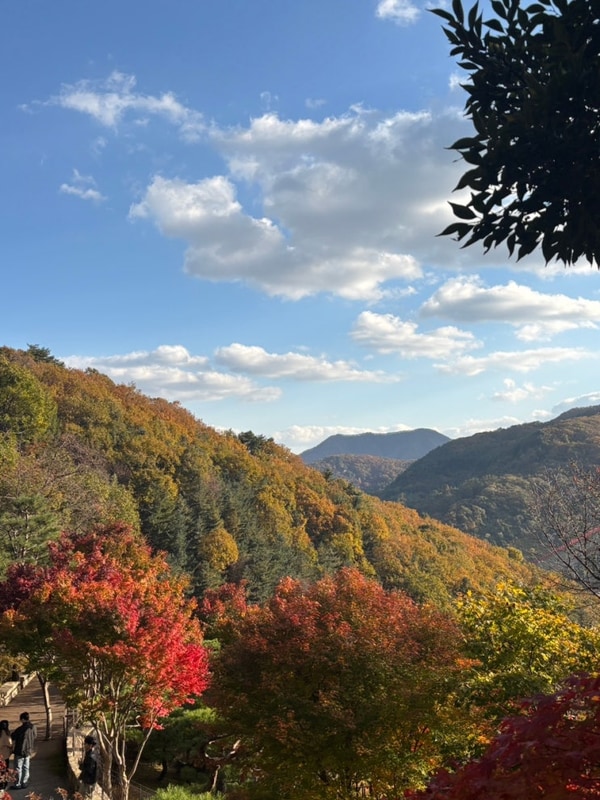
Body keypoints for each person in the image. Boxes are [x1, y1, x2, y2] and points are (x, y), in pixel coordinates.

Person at [10, 712, 36, 790]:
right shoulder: (33, 727)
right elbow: (35, 736)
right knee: (26, 767)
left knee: (18, 768)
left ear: (23, 719)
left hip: (20, 750)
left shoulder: (20, 729)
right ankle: (24, 782)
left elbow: (13, 736)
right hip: (28, 750)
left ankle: (17, 784)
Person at [0, 721, 12, 790]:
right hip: (5, 755)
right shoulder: (6, 734)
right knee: (5, 770)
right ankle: (4, 785)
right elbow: (10, 744)